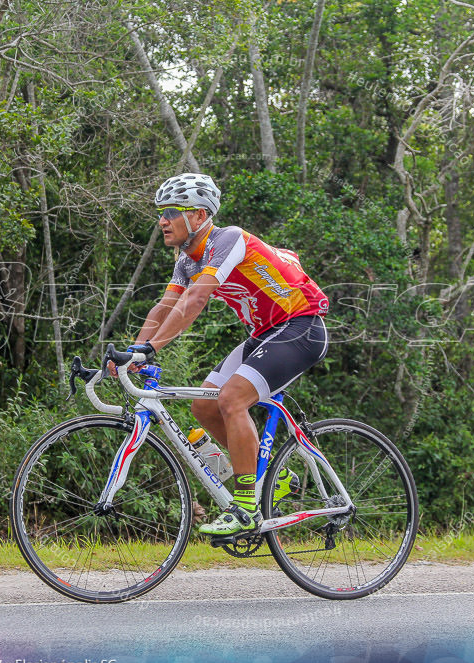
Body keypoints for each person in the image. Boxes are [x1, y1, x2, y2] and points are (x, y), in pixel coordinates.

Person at [122, 173, 330, 536]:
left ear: (199, 216)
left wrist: (153, 348)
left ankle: (247, 506)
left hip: (301, 326)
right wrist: (133, 353)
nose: (162, 221)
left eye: (172, 212)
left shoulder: (228, 238)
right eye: (161, 212)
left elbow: (196, 299)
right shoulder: (187, 260)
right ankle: (274, 478)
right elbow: (165, 306)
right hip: (265, 333)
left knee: (232, 399)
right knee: (204, 406)